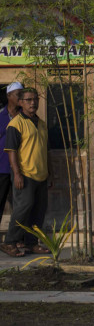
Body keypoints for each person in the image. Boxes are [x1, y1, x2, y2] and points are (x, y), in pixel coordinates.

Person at [3, 88, 51, 255]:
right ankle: (9, 242)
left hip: (41, 175)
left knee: (38, 211)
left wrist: (49, 173)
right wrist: (17, 173)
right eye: (29, 100)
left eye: (35, 99)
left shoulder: (42, 124)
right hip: (25, 175)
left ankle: (32, 243)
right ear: (21, 102)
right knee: (23, 209)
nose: (33, 102)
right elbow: (11, 151)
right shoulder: (15, 124)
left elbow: (46, 151)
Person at [0, 82, 24, 257]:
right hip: (1, 167)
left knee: (21, 205)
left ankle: (17, 238)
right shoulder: (1, 115)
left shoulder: (25, 117)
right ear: (9, 96)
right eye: (18, 94)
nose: (20, 98)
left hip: (21, 168)